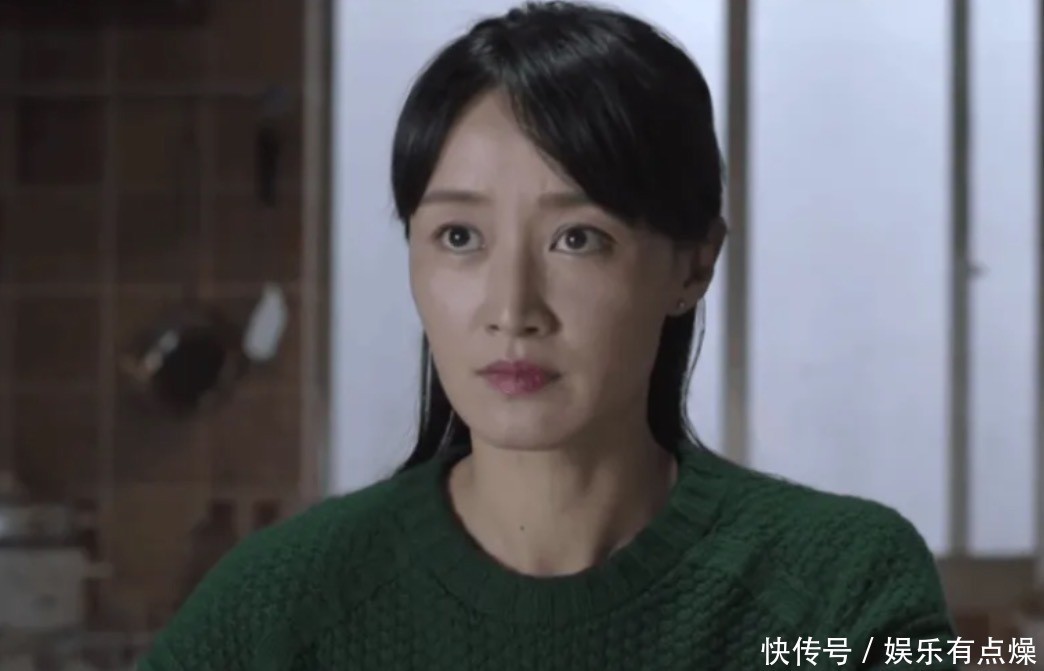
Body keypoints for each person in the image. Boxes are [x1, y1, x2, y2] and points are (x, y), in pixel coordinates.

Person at [138, 2, 958, 669]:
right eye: (460, 236)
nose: (512, 307)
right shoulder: (279, 605)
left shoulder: (841, 591)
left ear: (693, 264)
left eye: (578, 238)